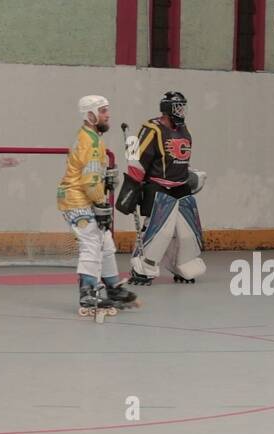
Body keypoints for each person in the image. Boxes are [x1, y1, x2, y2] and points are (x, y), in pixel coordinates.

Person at [116, 91, 207, 285]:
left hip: (181, 187)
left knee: (189, 232)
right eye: (178, 107)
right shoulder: (152, 129)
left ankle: (184, 266)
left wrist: (191, 175)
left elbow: (180, 159)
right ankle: (143, 268)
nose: (182, 111)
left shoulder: (183, 129)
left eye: (183, 106)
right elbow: (140, 159)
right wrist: (135, 180)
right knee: (160, 232)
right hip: (159, 188)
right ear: (167, 109)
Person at [57, 95, 137, 311]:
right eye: (102, 111)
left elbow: (92, 173)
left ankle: (112, 287)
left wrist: (106, 174)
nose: (107, 114)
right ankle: (88, 292)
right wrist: (102, 201)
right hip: (76, 200)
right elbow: (89, 181)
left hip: (83, 197)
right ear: (90, 115)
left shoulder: (92, 137)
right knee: (91, 242)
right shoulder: (90, 142)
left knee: (106, 242)